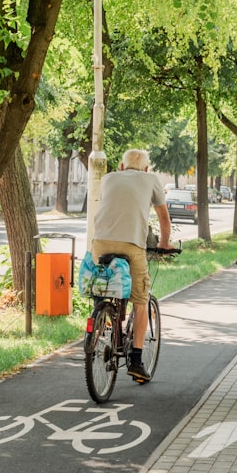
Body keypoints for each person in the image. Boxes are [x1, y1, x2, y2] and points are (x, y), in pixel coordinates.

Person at [92, 148, 173, 382]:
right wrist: (165, 242)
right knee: (140, 300)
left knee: (104, 286)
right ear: (146, 169)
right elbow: (163, 216)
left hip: (101, 244)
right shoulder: (150, 180)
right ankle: (136, 361)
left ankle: (102, 317)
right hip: (131, 245)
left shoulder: (108, 178)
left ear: (120, 166)